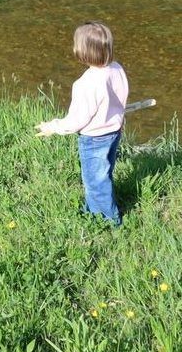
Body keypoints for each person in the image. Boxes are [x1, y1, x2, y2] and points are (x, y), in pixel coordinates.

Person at [36, 21, 129, 225]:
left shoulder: (86, 84)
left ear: (82, 52)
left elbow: (77, 120)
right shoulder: (116, 69)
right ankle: (94, 208)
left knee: (95, 181)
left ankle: (106, 220)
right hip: (114, 132)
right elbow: (119, 100)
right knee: (103, 173)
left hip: (94, 138)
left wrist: (53, 126)